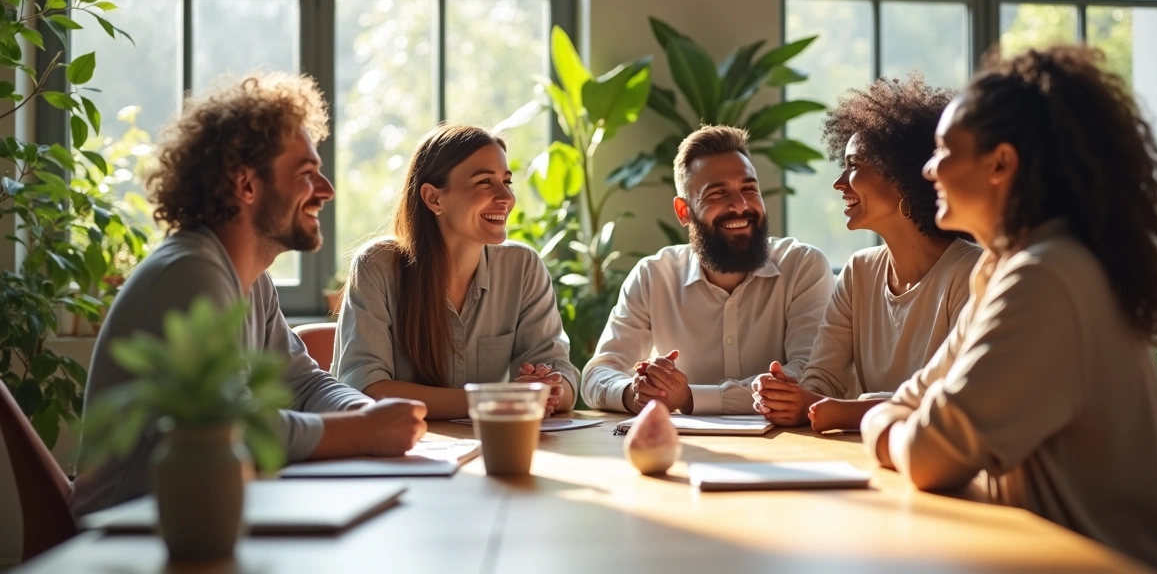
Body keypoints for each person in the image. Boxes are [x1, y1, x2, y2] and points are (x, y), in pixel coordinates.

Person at [861, 47, 1157, 572]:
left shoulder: (1048, 275)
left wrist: (880, 425)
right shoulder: (1005, 269)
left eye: (942, 150)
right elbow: (912, 398)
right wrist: (894, 421)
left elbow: (933, 453)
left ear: (1001, 163)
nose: (929, 169)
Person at [73, 74, 428, 516]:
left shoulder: (249, 279)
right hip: (133, 539)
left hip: (201, 519)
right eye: (306, 174)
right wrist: (365, 431)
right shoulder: (190, 272)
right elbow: (228, 428)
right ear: (245, 185)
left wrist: (361, 409)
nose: (327, 190)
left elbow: (301, 382)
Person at [752, 74, 980, 431]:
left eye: (855, 165)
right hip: (875, 453)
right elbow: (821, 380)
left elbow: (954, 397)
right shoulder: (859, 272)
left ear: (901, 175)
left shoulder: (971, 274)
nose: (839, 182)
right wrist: (789, 398)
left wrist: (843, 412)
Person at [581, 125, 835, 415]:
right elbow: (597, 375)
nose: (740, 206)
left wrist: (689, 398)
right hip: (685, 453)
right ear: (683, 212)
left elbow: (810, 378)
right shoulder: (653, 276)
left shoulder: (803, 267)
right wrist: (636, 391)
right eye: (717, 194)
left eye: (749, 189)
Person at [331, 123, 578, 420]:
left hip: (493, 450)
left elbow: (561, 375)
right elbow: (367, 390)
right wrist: (497, 400)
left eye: (506, 181)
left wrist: (548, 388)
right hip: (403, 454)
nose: (506, 198)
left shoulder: (522, 266)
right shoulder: (377, 266)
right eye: (485, 182)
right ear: (434, 198)